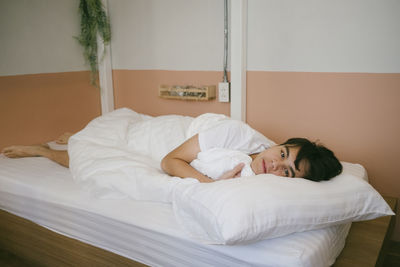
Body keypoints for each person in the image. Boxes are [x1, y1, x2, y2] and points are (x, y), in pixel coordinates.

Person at [2, 121, 342, 183]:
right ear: (276, 143)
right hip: (163, 140)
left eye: (289, 172)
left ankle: (78, 135)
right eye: (283, 154)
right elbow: (168, 161)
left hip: (184, 147)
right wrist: (210, 186)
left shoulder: (257, 177)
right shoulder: (237, 135)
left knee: (96, 145)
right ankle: (45, 151)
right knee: (89, 157)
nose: (276, 165)